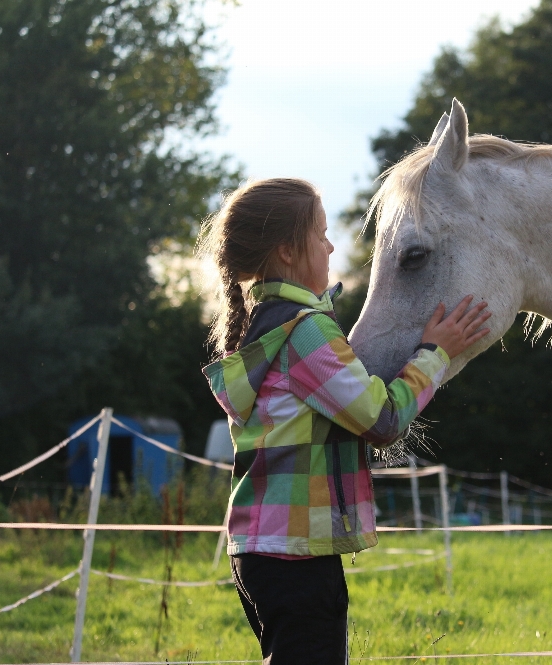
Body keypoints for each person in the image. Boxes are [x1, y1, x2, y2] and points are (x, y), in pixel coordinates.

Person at [198, 178, 490, 664]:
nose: (330, 246)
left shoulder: (266, 326)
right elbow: (383, 419)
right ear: (290, 252)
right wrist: (435, 355)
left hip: (261, 550)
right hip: (297, 556)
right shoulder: (306, 331)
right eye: (321, 234)